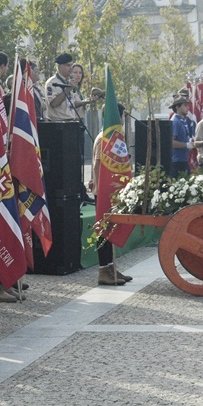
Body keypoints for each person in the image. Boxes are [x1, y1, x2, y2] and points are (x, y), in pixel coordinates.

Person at [88, 103, 133, 286]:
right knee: (103, 233)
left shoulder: (112, 137)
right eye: (121, 116)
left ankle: (111, 267)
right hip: (102, 191)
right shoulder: (103, 138)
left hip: (111, 191)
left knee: (110, 231)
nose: (121, 120)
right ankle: (103, 270)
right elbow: (99, 164)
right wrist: (99, 186)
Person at [45, 53, 96, 121]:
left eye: (71, 65)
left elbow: (72, 103)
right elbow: (53, 104)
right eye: (68, 65)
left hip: (71, 121)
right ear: (60, 66)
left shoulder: (69, 81)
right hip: (58, 123)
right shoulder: (52, 82)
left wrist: (86, 101)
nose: (70, 68)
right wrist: (67, 90)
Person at [170, 94, 195, 178]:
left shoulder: (183, 120)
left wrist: (189, 142)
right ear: (177, 107)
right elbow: (171, 142)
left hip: (183, 159)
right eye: (185, 105)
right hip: (177, 161)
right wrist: (186, 145)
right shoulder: (175, 121)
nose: (187, 107)